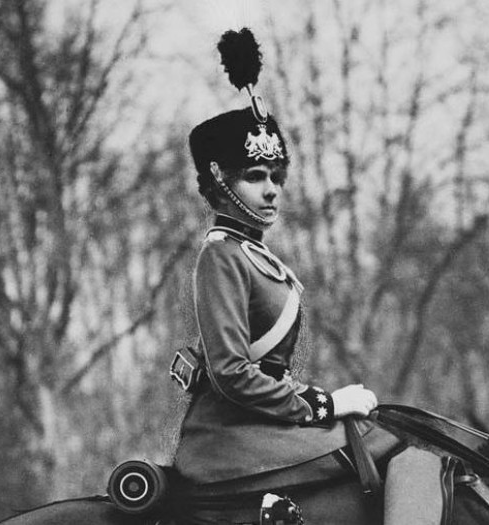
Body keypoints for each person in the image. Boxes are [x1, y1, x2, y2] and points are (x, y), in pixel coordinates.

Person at [169, 28, 442, 524]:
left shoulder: (260, 259)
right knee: (403, 450)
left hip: (264, 426)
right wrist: (322, 405)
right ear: (220, 182)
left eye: (277, 177)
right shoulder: (222, 257)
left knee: (402, 434)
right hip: (229, 438)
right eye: (255, 177)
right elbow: (231, 374)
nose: (271, 190)